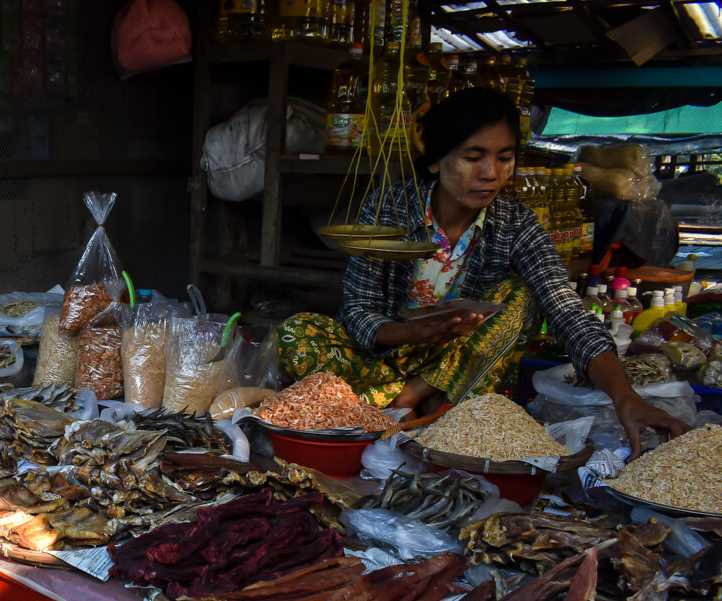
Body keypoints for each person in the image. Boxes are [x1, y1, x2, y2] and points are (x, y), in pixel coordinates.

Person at [277, 87, 689, 457]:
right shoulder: (388, 207)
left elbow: (566, 312)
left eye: (504, 157)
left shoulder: (516, 225)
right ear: (436, 162)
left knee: (523, 296)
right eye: (474, 157)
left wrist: (625, 397)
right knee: (297, 332)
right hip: (382, 356)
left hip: (462, 361)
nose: (491, 173)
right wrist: (407, 333)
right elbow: (359, 307)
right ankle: (418, 404)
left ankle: (409, 399)